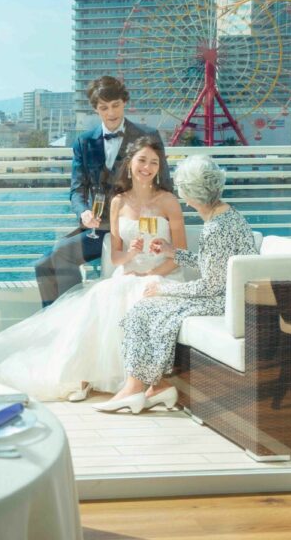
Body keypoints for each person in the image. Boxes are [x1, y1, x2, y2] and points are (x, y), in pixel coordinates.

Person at [0, 137, 186, 401]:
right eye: (142, 160)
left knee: (135, 298)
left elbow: (180, 255)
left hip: (163, 274)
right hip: (127, 273)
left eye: (154, 163)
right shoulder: (118, 202)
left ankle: (133, 382)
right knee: (98, 297)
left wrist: (150, 273)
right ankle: (82, 376)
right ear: (130, 163)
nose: (147, 167)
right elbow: (116, 256)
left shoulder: (168, 201)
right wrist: (132, 254)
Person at [94, 155, 259, 414]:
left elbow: (210, 286)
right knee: (147, 309)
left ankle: (135, 388)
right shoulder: (228, 217)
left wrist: (164, 288)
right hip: (229, 295)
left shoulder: (215, 228)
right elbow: (214, 266)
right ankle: (156, 387)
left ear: (190, 194)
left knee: (144, 310)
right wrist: (173, 252)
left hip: (223, 301)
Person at [34, 76, 171, 308]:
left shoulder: (148, 136)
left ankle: (72, 313)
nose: (111, 113)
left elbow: (165, 184)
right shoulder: (84, 142)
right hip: (97, 226)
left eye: (116, 105)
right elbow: (77, 189)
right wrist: (84, 212)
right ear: (95, 109)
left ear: (124, 102)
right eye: (104, 107)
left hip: (132, 227)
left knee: (61, 253)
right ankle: (56, 318)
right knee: (43, 265)